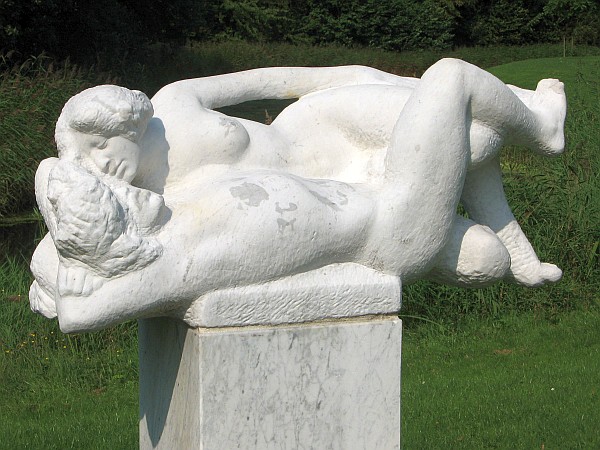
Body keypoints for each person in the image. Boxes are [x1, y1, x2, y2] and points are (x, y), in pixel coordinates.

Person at [30, 59, 566, 332]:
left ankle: (540, 124)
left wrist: (358, 76)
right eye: (86, 160)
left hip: (321, 128)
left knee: (468, 127)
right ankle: (512, 244)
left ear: (124, 122)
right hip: (348, 196)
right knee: (482, 248)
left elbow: (273, 80)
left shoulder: (173, 103)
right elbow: (72, 240)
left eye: (100, 145)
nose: (101, 164)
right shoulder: (142, 202)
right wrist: (56, 280)